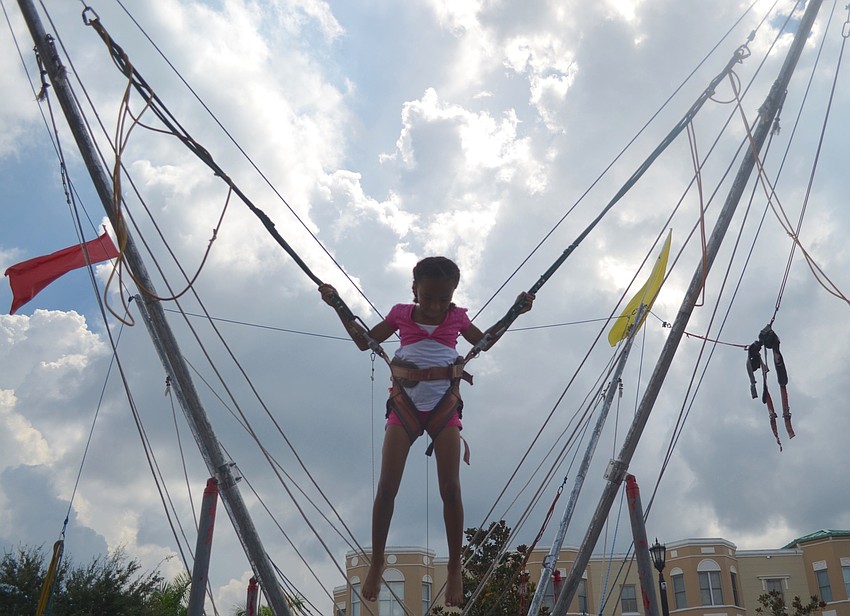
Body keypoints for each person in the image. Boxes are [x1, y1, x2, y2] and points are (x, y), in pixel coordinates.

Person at [319, 256, 533, 607]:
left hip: (443, 407)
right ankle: (377, 561)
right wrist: (338, 307)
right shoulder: (401, 314)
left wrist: (514, 313)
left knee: (451, 488)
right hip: (405, 405)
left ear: (453, 295)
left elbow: (485, 341)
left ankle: (454, 568)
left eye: (443, 299)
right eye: (427, 297)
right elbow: (364, 341)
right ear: (414, 289)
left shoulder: (457, 318)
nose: (434, 306)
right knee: (387, 487)